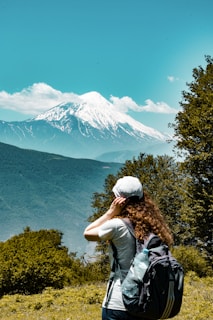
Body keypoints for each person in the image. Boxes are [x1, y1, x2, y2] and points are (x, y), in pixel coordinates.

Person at [84, 176, 173, 320]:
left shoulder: (117, 225)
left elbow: (88, 233)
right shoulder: (154, 226)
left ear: (117, 199)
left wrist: (111, 212)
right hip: (147, 302)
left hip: (119, 303)